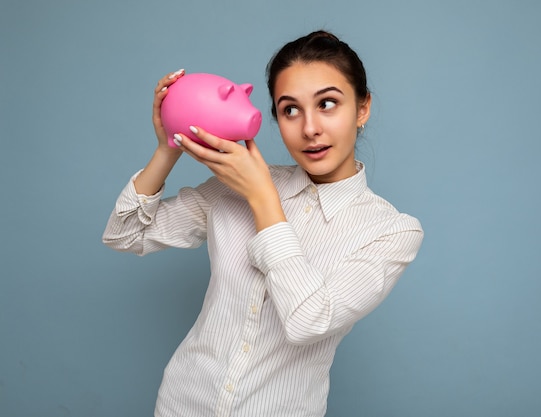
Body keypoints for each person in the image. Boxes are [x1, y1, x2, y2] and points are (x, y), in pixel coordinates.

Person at [103, 30, 423, 417]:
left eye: (327, 104)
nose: (309, 128)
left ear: (362, 108)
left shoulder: (391, 231)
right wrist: (168, 147)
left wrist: (262, 199)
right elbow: (124, 235)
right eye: (290, 109)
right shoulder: (232, 186)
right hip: (181, 405)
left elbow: (308, 321)